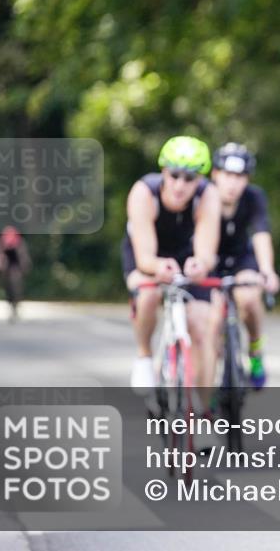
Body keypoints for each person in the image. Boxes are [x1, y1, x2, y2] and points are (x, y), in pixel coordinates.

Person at [122, 136, 221, 411]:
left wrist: (200, 264)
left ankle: (203, 411)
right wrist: (157, 268)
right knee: (149, 294)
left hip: (185, 254)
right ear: (163, 171)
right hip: (147, 253)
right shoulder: (144, 192)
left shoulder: (207, 195)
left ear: (199, 179)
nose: (180, 185)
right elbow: (144, 258)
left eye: (189, 178)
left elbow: (206, 250)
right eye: (174, 175)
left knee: (201, 324)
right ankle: (144, 356)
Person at [208, 143, 280, 389]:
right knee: (211, 318)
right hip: (209, 260)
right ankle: (211, 378)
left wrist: (267, 270)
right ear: (215, 174)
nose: (232, 183)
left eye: (239, 177)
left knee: (249, 298)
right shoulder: (203, 196)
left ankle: (255, 350)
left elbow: (261, 233)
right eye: (227, 175)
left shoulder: (253, 197)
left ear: (246, 180)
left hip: (241, 259)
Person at [0, 226, 31, 321]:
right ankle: (11, 305)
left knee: (16, 287)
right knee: (7, 288)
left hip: (15, 267)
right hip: (6, 268)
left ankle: (16, 306)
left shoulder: (19, 242)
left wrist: (24, 267)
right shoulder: (1, 241)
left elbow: (23, 256)